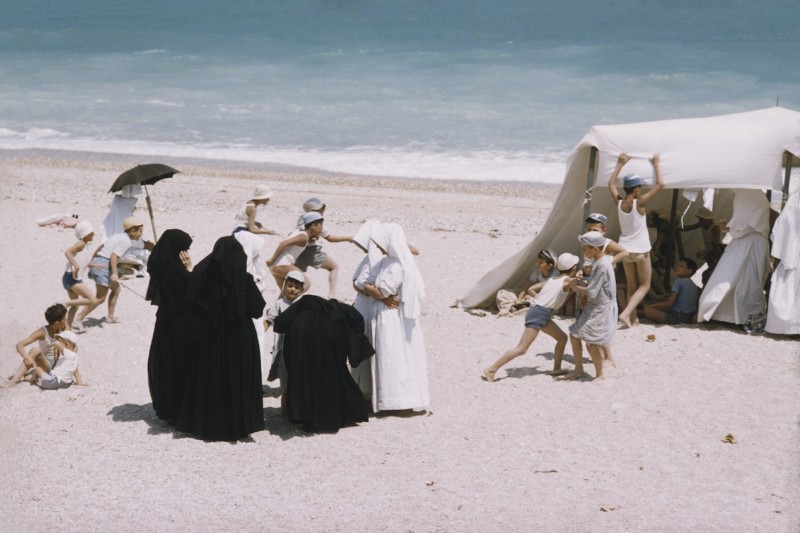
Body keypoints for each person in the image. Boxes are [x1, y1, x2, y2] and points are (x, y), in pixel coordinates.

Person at [175, 236, 265, 441]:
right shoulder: (244, 280)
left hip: (211, 336)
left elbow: (193, 302)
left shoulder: (206, 278)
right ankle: (239, 425)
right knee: (238, 378)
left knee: (213, 378)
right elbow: (257, 309)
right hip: (241, 336)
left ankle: (211, 424)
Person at [273, 294, 372, 431]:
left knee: (306, 376)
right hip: (332, 335)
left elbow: (280, 324)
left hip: (303, 335)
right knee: (334, 374)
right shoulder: (337, 312)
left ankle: (309, 417)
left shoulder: (302, 306)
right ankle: (335, 415)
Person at [361, 223, 429, 414]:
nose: (379, 247)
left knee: (394, 357)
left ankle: (398, 402)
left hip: (392, 318)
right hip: (385, 313)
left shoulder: (399, 265)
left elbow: (380, 290)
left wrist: (375, 291)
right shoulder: (386, 262)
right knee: (388, 356)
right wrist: (373, 290)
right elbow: (367, 285)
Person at [483, 253, 579, 382]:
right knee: (521, 349)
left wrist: (540, 299)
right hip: (540, 313)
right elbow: (576, 287)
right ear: (574, 268)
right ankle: (491, 369)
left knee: (562, 338)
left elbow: (531, 289)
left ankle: (557, 369)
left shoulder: (552, 279)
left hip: (541, 312)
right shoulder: (567, 281)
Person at [698, 189, 771, 331]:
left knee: (747, 282)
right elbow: (744, 222)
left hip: (749, 244)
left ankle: (747, 317)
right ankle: (734, 316)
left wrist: (729, 226)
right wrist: (731, 225)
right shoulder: (755, 195)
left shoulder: (747, 193)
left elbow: (746, 226)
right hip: (748, 242)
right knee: (744, 281)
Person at [608, 153, 664, 328]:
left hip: (625, 250)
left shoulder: (619, 203)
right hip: (640, 250)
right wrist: (656, 163)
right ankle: (626, 313)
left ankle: (633, 320)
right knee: (645, 286)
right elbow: (661, 184)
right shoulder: (639, 203)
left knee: (632, 285)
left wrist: (620, 163)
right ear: (637, 189)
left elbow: (611, 184)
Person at [145, 229, 195, 424]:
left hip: (164, 323)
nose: (186, 254)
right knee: (180, 364)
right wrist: (190, 270)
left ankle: (168, 408)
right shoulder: (177, 272)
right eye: (183, 249)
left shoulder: (160, 267)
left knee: (166, 364)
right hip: (180, 324)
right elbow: (192, 292)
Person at [560, 232, 618, 382]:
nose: (583, 251)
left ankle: (599, 375)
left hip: (601, 308)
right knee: (574, 335)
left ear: (595, 249)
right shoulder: (600, 261)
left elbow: (592, 292)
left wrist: (574, 286)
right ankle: (579, 369)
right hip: (595, 306)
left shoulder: (603, 265)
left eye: (585, 248)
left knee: (591, 343)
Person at [76, 217, 144, 326]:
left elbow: (101, 247)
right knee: (100, 298)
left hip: (99, 262)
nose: (141, 234)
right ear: (132, 231)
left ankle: (110, 317)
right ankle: (78, 318)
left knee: (116, 289)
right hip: (103, 266)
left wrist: (92, 262)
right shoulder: (126, 242)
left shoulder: (118, 236)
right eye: (140, 231)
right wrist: (115, 273)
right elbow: (114, 256)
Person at [294, 197, 353, 299]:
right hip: (311, 252)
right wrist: (348, 238)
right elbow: (330, 238)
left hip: (298, 252)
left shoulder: (301, 219)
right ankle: (332, 294)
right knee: (334, 267)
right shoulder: (316, 223)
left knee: (296, 278)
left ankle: (286, 298)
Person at [264, 270, 306, 403]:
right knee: (285, 379)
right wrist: (259, 336)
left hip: (299, 347)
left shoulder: (303, 304)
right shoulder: (279, 304)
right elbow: (269, 320)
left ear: (301, 290)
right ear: (284, 286)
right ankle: (284, 408)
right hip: (282, 347)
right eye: (290, 285)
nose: (292, 289)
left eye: (296, 287)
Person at [766, 188, 800, 334]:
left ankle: (789, 325)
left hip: (793, 251)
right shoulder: (796, 197)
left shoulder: (796, 198)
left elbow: (783, 225)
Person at [9, 303, 68, 386]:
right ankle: (15, 381)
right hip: (47, 364)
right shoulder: (42, 332)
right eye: (64, 320)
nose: (66, 321)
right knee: (35, 350)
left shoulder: (63, 327)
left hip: (58, 365)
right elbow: (20, 345)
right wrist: (26, 357)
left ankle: (32, 376)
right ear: (57, 324)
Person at [266, 211, 324, 291]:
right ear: (314, 225)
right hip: (282, 263)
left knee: (285, 293)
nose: (322, 229)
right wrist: (272, 259)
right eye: (321, 225)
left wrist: (312, 237)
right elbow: (284, 243)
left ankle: (286, 299)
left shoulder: (299, 232)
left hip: (276, 266)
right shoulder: (304, 237)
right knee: (306, 283)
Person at [233, 185, 277, 284]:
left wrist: (255, 222)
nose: (268, 200)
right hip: (243, 234)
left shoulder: (248, 203)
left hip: (236, 231)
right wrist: (267, 232)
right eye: (267, 198)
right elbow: (252, 229)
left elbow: (242, 218)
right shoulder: (253, 209)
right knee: (251, 260)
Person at [496, 249, 558, 316]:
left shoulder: (555, 276)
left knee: (530, 300)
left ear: (549, 266)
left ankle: (519, 309)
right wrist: (519, 300)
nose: (537, 264)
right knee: (503, 293)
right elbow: (525, 287)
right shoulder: (537, 272)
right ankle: (512, 307)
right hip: (531, 295)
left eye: (541, 262)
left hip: (542, 299)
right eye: (537, 261)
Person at [62, 221, 100, 331]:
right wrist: (76, 266)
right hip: (72, 278)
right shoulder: (81, 243)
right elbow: (67, 252)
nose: (94, 234)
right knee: (92, 300)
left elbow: (81, 260)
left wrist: (94, 266)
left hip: (68, 277)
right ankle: (66, 303)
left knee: (76, 305)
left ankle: (67, 329)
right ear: (85, 234)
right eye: (91, 232)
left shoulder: (84, 245)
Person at [642, 258, 700, 324]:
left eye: (681, 266)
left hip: (677, 316)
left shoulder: (678, 281)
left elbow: (669, 304)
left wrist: (651, 306)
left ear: (689, 271)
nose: (677, 267)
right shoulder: (694, 285)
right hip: (690, 316)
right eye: (677, 265)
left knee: (647, 310)